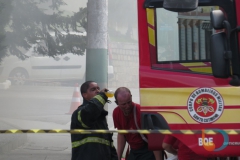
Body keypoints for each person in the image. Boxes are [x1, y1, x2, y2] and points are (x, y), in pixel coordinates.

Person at [70, 81, 118, 160]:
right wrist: (102, 96)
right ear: (84, 95)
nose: (98, 91)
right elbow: (90, 112)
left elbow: (108, 143)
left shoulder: (100, 117)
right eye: (93, 89)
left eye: (98, 89)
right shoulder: (79, 113)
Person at [112, 87, 163, 160]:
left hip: (148, 150)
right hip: (134, 150)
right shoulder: (116, 113)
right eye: (123, 104)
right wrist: (118, 157)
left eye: (129, 102)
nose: (127, 106)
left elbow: (153, 138)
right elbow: (121, 134)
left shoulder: (140, 112)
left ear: (131, 97)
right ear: (117, 103)